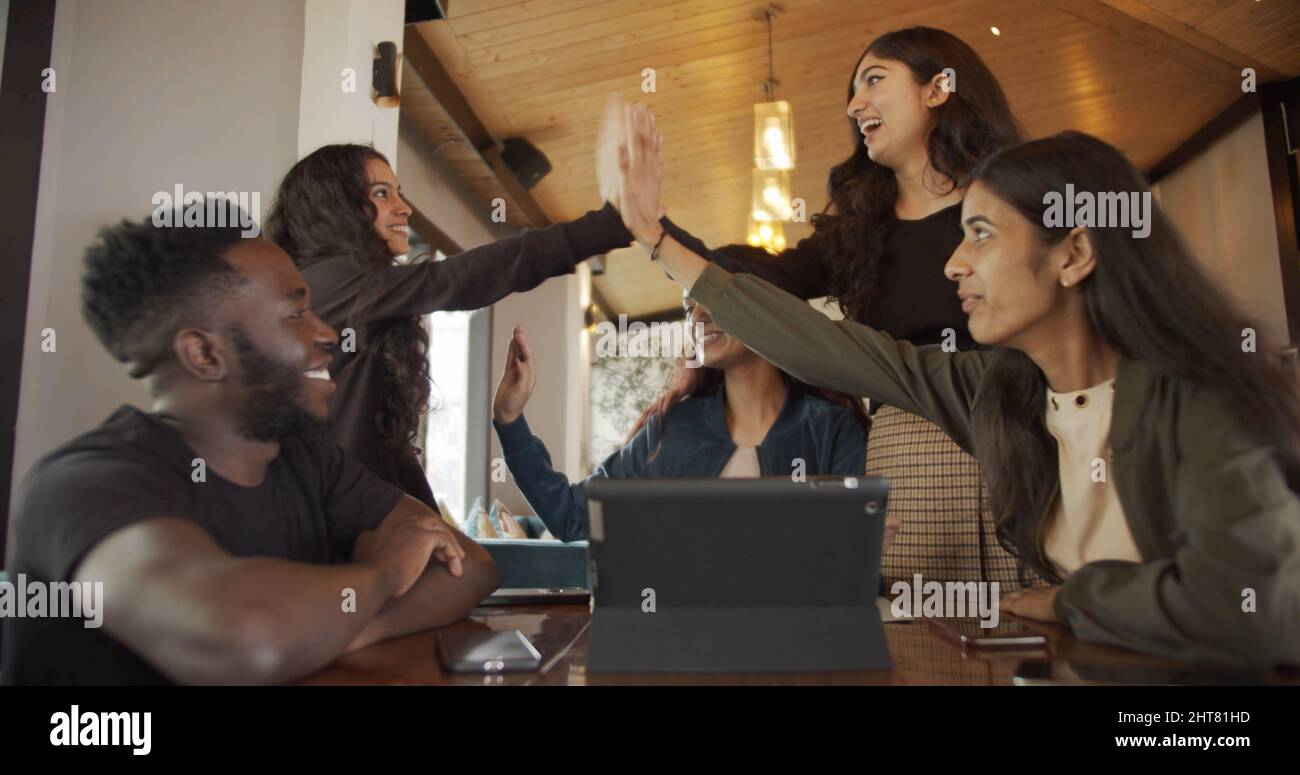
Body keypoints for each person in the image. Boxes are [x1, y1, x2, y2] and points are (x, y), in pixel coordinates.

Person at [617, 112, 1300, 667]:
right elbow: (832, 348)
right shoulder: (998, 391)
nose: (953, 263)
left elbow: (1244, 606)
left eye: (980, 235)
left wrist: (1069, 600)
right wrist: (655, 238)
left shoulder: (1201, 398)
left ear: (1074, 253)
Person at [598, 27, 1032, 590]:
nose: (854, 105)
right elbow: (747, 278)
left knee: (1031, 636)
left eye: (874, 80)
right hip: (908, 454)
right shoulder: (857, 231)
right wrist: (653, 232)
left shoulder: (1016, 202)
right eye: (852, 92)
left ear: (937, 88)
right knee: (923, 642)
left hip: (1019, 433)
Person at [3, 208, 498, 684]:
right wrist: (389, 571)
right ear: (205, 354)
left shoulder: (307, 460)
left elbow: (468, 567)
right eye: (296, 313)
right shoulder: (85, 484)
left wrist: (327, 631)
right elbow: (245, 635)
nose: (327, 334)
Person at [266, 144, 634, 509]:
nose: (403, 207)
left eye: (399, 193)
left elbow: (385, 443)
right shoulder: (334, 280)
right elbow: (462, 278)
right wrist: (611, 223)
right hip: (329, 522)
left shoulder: (337, 286)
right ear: (338, 207)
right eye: (382, 194)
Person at [490, 250, 869, 542]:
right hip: (682, 636)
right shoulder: (669, 430)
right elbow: (573, 517)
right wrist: (510, 421)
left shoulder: (834, 430)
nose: (699, 317)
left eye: (715, 300)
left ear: (765, 306)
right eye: (690, 307)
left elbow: (850, 561)